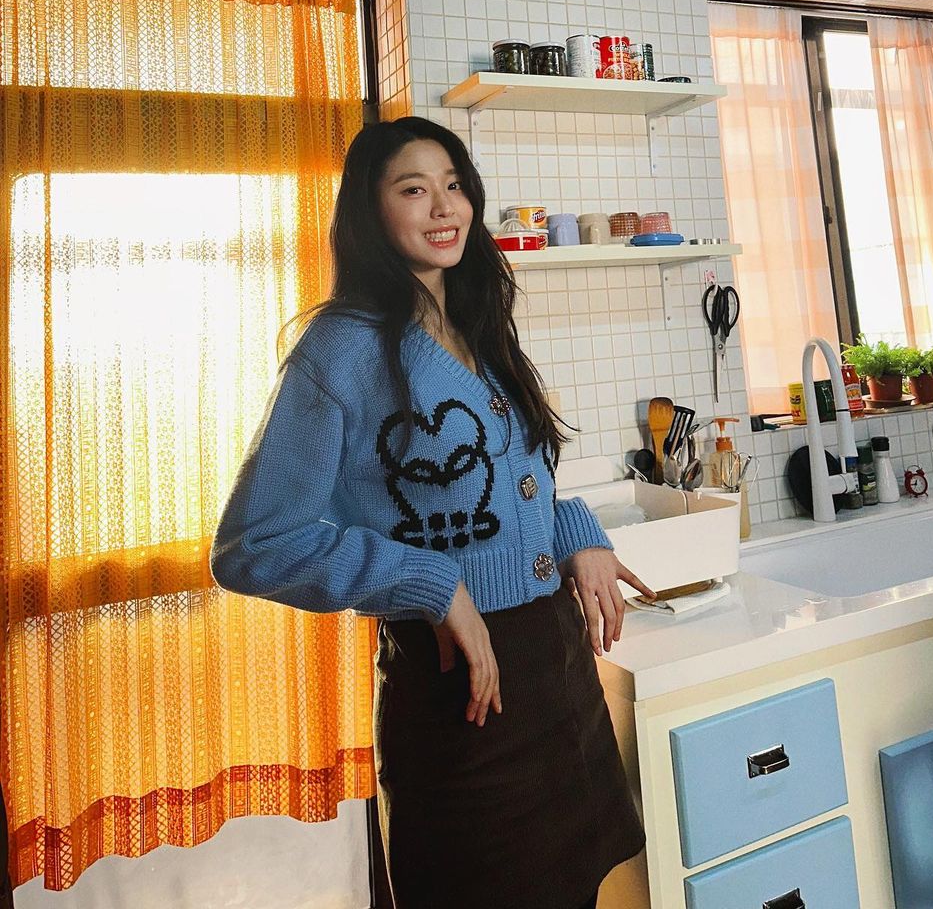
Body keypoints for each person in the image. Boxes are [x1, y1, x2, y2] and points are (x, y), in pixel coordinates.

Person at [211, 116, 652, 909]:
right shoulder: (339, 350)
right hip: (462, 703)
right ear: (369, 211)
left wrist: (577, 534)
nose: (443, 206)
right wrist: (429, 583)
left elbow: (513, 488)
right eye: (413, 189)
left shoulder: (478, 326)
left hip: (557, 678)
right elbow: (256, 543)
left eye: (453, 185)